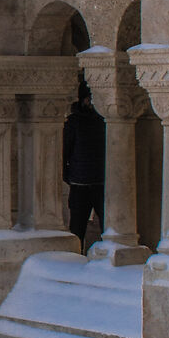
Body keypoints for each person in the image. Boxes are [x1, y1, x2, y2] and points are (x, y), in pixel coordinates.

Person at [62, 76, 106, 250]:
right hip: (80, 183)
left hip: (100, 182)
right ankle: (76, 257)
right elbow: (65, 151)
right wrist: (70, 176)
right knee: (77, 227)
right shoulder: (74, 123)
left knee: (106, 225)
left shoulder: (103, 121)